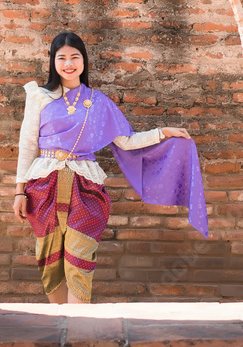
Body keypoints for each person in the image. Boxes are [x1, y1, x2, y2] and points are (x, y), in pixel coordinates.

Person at [12, 31, 208, 304]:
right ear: (53, 62)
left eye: (75, 57)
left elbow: (127, 141)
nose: (69, 63)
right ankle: (60, 329)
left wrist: (162, 132)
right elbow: (27, 145)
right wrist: (19, 192)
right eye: (62, 58)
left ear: (84, 61)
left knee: (79, 262)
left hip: (86, 189)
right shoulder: (39, 97)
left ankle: (78, 329)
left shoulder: (99, 102)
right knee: (50, 263)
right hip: (43, 188)